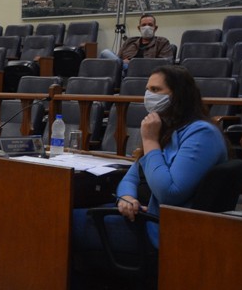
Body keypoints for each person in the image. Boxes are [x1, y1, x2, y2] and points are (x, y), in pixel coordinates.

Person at [73, 64, 227, 257]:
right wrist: (126, 198)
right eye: (147, 89)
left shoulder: (201, 134)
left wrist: (150, 141)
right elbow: (131, 177)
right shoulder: (166, 128)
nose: (148, 95)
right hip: (140, 214)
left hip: (161, 229)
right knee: (66, 211)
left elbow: (169, 193)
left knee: (61, 221)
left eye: (155, 89)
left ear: (178, 95)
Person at [99, 13, 174, 67]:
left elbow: (166, 63)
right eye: (143, 25)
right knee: (105, 52)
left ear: (155, 28)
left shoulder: (162, 42)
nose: (147, 27)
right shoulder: (129, 41)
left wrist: (132, 63)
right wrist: (123, 63)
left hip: (144, 71)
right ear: (139, 28)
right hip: (123, 70)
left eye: (150, 25)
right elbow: (118, 60)